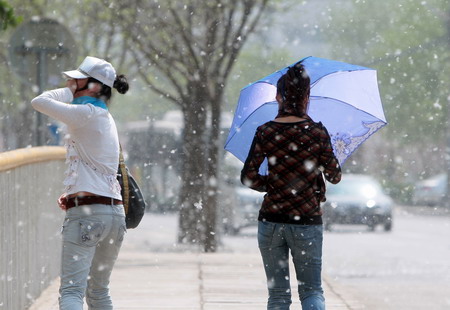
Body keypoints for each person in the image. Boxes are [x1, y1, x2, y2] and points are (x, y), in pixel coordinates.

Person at [241, 62, 342, 310]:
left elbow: (248, 177)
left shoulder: (265, 131)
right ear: (307, 97)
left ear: (278, 96)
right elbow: (335, 176)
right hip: (306, 220)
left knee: (277, 295)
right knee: (311, 291)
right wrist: (315, 167)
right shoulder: (317, 133)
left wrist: (275, 184)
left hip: (271, 220)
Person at [31, 56, 129, 310]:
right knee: (98, 293)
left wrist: (69, 90)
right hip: (114, 214)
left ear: (93, 86)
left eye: (77, 78)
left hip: (87, 214)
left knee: (72, 291)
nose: (70, 80)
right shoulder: (106, 118)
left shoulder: (85, 113)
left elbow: (39, 101)